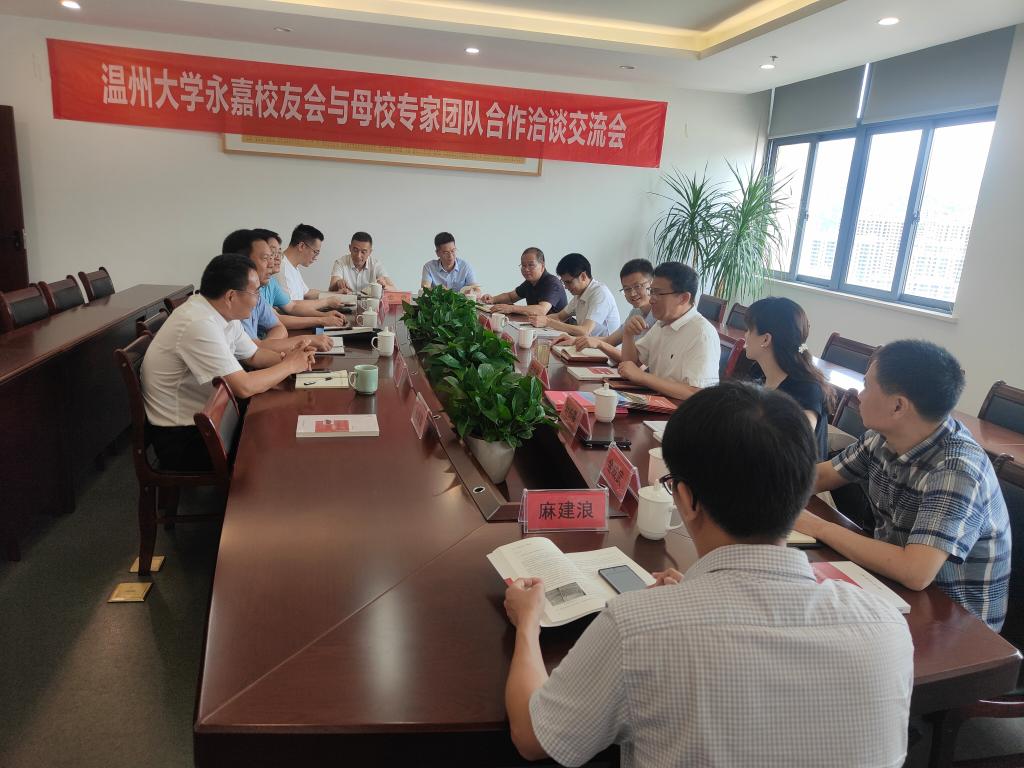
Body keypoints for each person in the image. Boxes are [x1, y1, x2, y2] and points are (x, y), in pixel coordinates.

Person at [503, 382, 914, 767]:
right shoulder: (886, 628)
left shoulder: (636, 629)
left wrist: (528, 624)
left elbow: (532, 737)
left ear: (686, 499)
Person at [795, 339, 1011, 630]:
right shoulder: (882, 438)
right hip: (893, 589)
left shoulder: (957, 469)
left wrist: (817, 526)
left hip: (957, 625)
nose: (859, 394)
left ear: (898, 406)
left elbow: (915, 572)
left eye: (867, 386)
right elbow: (820, 477)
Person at [142, 254, 316, 471]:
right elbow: (243, 387)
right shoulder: (198, 323)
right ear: (232, 296)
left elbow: (254, 355)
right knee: (279, 439)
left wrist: (290, 359)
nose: (258, 300)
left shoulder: (222, 313)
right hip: (184, 436)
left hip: (212, 416)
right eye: (255, 292)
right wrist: (288, 366)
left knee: (282, 417)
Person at [743, 296, 832, 458]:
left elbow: (793, 445)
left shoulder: (806, 389)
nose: (745, 335)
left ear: (766, 339)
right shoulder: (758, 374)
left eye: (749, 330)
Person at [617, 261, 719, 399]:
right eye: (651, 291)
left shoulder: (702, 333)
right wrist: (628, 334)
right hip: (654, 402)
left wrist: (643, 377)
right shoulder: (662, 323)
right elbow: (631, 365)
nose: (651, 300)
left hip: (680, 409)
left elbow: (696, 393)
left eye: (658, 293)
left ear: (683, 298)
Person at [222, 229, 331, 354]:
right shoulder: (237, 298)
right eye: (267, 257)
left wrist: (268, 346)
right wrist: (307, 339)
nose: (273, 262)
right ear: (243, 262)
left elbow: (278, 327)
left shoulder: (257, 292)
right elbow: (254, 352)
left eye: (276, 254)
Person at [553, 258, 654, 363]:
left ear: (652, 283)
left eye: (637, 286)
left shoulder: (658, 317)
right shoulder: (635, 312)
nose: (632, 293)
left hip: (620, 363)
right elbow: (610, 340)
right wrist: (574, 340)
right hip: (618, 362)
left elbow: (635, 362)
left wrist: (599, 344)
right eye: (627, 289)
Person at [253, 228, 349, 332]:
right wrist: (323, 316)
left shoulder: (273, 280)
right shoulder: (280, 271)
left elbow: (294, 305)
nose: (276, 258)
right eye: (270, 254)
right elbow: (282, 316)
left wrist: (325, 313)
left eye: (279, 252)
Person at [529, 253, 619, 337]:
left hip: (604, 347)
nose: (566, 287)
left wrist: (548, 322)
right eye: (564, 282)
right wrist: (537, 320)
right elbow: (559, 317)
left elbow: (585, 331)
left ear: (583, 276)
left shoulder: (600, 293)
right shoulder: (580, 293)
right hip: (587, 343)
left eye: (568, 282)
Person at [480, 247, 566, 316]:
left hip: (559, 330)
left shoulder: (552, 283)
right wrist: (492, 299)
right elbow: (510, 297)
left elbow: (541, 310)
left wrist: (510, 308)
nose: (526, 269)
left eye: (531, 265)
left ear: (542, 266)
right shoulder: (529, 282)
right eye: (523, 265)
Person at [329, 232, 395, 294]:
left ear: (370, 252)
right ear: (350, 248)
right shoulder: (340, 263)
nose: (358, 256)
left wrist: (384, 285)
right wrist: (338, 283)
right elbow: (331, 289)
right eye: (355, 250)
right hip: (346, 302)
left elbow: (394, 289)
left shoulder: (376, 265)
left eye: (363, 252)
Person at [277, 223, 328, 301]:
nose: (315, 258)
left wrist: (335, 294)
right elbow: (293, 306)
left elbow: (306, 293)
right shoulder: (282, 269)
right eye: (315, 252)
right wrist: (327, 302)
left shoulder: (292, 266)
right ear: (301, 246)